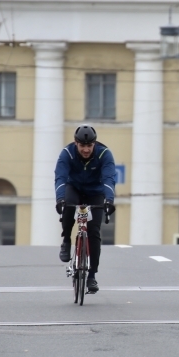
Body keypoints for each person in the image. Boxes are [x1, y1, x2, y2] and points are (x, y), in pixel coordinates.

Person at [54, 124, 116, 293]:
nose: (86, 150)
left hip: (95, 192)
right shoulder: (67, 153)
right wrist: (59, 199)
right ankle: (66, 239)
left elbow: (109, 179)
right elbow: (60, 177)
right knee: (67, 205)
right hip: (73, 188)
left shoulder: (104, 154)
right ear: (76, 144)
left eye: (89, 146)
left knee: (94, 231)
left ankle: (92, 276)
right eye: (82, 146)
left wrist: (109, 201)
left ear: (94, 144)